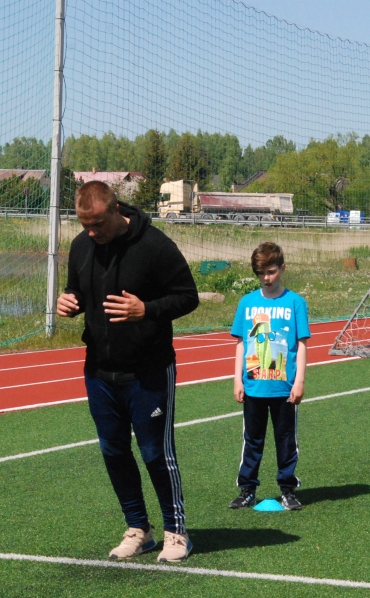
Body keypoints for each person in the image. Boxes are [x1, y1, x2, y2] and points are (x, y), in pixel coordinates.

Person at [57, 181, 199, 563]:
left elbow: (189, 296)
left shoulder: (154, 245)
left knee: (155, 452)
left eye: (98, 224)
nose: (92, 232)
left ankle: (176, 531)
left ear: (116, 210)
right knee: (113, 450)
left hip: (148, 370)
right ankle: (139, 528)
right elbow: (78, 292)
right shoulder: (80, 246)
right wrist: (69, 302)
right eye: (85, 224)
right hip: (100, 371)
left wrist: (147, 310)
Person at [229, 242, 310, 511]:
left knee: (286, 441)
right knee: (252, 440)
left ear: (282, 268)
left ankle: (287, 489)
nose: (266, 278)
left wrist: (299, 381)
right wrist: (237, 379)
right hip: (254, 386)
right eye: (261, 273)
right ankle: (247, 489)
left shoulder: (295, 302)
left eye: (271, 272)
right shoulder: (248, 302)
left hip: (284, 388)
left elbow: (301, 344)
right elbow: (241, 343)